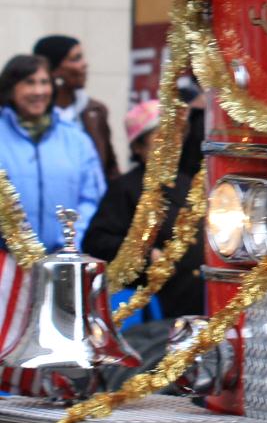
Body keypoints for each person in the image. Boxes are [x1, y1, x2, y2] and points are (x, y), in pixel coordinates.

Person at [83, 100, 205, 320]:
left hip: (196, 304)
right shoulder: (126, 189)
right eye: (159, 139)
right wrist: (146, 255)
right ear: (138, 147)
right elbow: (97, 242)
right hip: (153, 312)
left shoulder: (191, 185)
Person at [0, 54, 104, 251]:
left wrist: (70, 242)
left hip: (63, 262)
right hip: (5, 265)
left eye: (44, 82)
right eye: (29, 83)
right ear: (10, 88)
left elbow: (92, 199)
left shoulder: (76, 140)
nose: (38, 91)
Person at [33, 35, 118, 181]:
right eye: (75, 59)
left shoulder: (96, 111)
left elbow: (110, 169)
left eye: (82, 57)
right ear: (54, 70)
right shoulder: (32, 114)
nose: (85, 64)